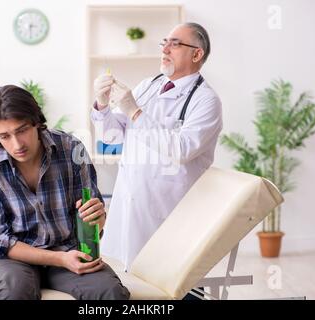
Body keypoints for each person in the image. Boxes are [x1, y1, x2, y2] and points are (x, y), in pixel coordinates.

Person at [0, 85, 130, 300]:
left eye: (22, 130)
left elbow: (93, 224)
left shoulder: (71, 149)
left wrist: (98, 218)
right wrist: (60, 259)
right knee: (14, 291)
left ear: (36, 122)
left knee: (111, 293)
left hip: (67, 248)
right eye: (5, 136)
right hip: (8, 257)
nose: (16, 145)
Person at [91, 22, 223, 271]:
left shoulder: (206, 101)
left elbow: (181, 149)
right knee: (128, 284)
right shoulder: (149, 85)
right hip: (130, 206)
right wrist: (102, 105)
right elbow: (112, 137)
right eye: (165, 42)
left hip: (169, 213)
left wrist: (136, 112)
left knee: (174, 287)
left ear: (197, 54)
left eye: (175, 44)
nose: (165, 49)